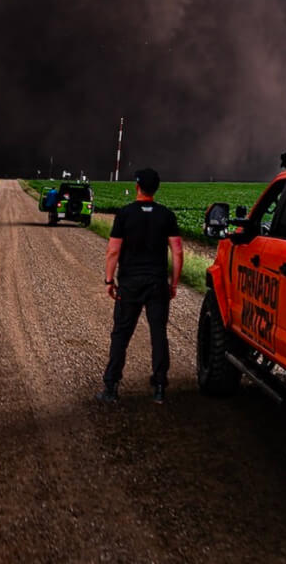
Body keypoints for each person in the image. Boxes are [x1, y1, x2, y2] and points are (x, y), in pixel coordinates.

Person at [97, 167, 183, 405]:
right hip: (157, 284)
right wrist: (173, 283)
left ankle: (111, 387)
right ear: (156, 188)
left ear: (137, 186)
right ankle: (159, 388)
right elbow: (177, 251)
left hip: (130, 284)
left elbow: (113, 250)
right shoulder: (166, 215)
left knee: (121, 334)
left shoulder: (125, 214)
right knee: (159, 335)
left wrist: (108, 280)